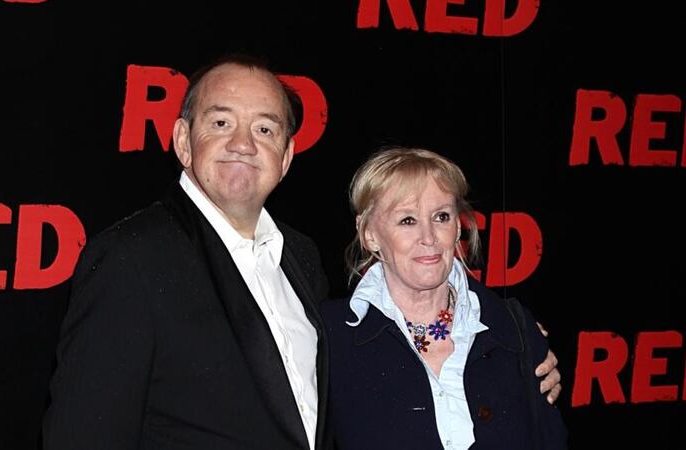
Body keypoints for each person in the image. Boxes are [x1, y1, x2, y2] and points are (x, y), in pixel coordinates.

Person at [42, 55, 561, 450]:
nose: (244, 142)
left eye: (265, 128)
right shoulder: (132, 258)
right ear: (183, 140)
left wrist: (521, 340)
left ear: (286, 156)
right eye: (221, 122)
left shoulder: (302, 261)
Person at [321, 147, 568, 449]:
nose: (429, 236)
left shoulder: (513, 327)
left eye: (441, 216)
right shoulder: (328, 338)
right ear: (370, 234)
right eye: (407, 220)